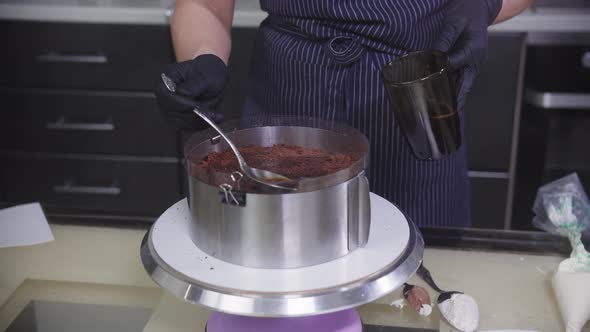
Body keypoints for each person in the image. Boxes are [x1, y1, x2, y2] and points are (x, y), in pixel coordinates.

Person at [156, 0, 532, 228]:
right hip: (290, 94)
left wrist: (484, 3)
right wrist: (202, 57)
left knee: (424, 280)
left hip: (416, 92)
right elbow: (206, 5)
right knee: (277, 262)